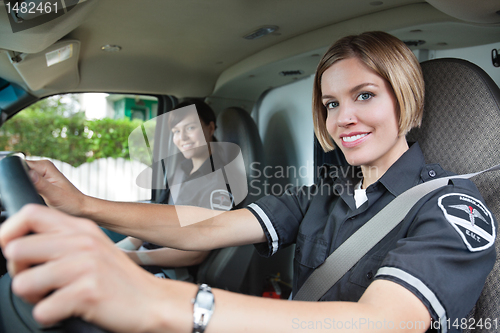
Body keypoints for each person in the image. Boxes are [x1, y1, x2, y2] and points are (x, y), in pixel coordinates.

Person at [0, 31, 496, 333]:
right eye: (331, 103)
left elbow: (380, 322)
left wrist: (166, 303)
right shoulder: (326, 192)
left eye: (364, 95)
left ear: (404, 101)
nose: (344, 117)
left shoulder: (454, 209)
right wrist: (83, 204)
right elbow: (204, 228)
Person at [116, 101, 232, 278]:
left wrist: (134, 257)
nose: (182, 137)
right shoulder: (182, 170)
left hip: (172, 272)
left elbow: (195, 254)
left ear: (210, 128)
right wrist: (118, 250)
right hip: (150, 256)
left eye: (190, 128)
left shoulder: (218, 184)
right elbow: (156, 219)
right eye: (176, 131)